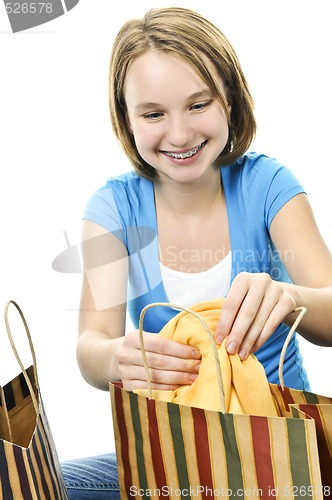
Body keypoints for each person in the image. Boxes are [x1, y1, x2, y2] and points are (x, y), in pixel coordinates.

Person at [61, 6, 332, 498]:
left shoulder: (268, 186)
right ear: (127, 118)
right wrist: (118, 359)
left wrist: (289, 296)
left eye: (198, 105)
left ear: (229, 99)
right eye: (153, 114)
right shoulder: (112, 208)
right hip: (173, 453)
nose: (180, 134)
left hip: (277, 450)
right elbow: (90, 346)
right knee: (42, 484)